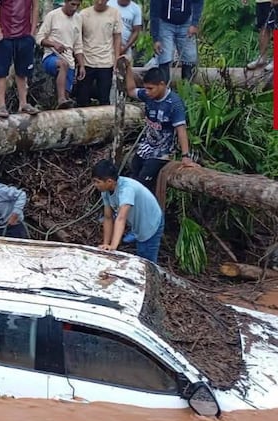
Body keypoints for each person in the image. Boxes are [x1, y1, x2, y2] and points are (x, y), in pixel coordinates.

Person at [123, 62, 198, 209]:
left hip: (163, 151)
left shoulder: (174, 104)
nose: (148, 92)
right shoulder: (148, 95)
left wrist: (185, 156)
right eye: (146, 89)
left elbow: (181, 130)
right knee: (134, 167)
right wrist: (128, 69)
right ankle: (130, 210)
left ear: (162, 85)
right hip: (147, 145)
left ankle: (136, 212)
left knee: (144, 180)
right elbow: (131, 91)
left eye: (150, 88)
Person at [92, 159, 164, 263]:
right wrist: (106, 244)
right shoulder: (105, 191)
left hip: (151, 222)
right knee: (140, 248)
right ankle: (134, 236)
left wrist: (113, 247)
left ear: (109, 181)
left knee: (146, 259)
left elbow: (121, 218)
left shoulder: (126, 190)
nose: (95, 185)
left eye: (97, 182)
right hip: (137, 221)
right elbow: (108, 217)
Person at [0, 0, 40, 117]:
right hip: (5, 35)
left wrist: (32, 31)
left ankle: (23, 103)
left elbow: (36, 6)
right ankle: (1, 105)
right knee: (1, 71)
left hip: (24, 34)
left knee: (23, 71)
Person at [37, 0, 84, 109]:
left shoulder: (78, 19)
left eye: (77, 5)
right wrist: (54, 44)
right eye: (72, 4)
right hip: (51, 57)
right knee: (63, 64)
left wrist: (81, 65)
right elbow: (39, 38)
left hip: (69, 60)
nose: (75, 8)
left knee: (66, 103)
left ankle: (62, 103)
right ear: (66, 2)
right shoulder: (53, 15)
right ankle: (61, 98)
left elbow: (78, 45)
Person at [76, 0, 121, 107]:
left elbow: (117, 37)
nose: (100, 2)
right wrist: (80, 62)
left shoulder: (114, 13)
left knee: (104, 98)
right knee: (82, 98)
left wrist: (116, 60)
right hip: (87, 61)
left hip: (106, 62)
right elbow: (78, 39)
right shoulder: (83, 14)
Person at [149, 0, 202, 83]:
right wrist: (156, 39)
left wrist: (194, 23)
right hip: (165, 23)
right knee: (164, 57)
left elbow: (198, 2)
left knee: (190, 58)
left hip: (186, 23)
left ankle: (187, 91)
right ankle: (165, 91)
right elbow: (154, 13)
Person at [242, 0, 278, 72]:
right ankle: (262, 58)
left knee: (277, 28)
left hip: (276, 3)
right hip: (261, 2)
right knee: (263, 28)